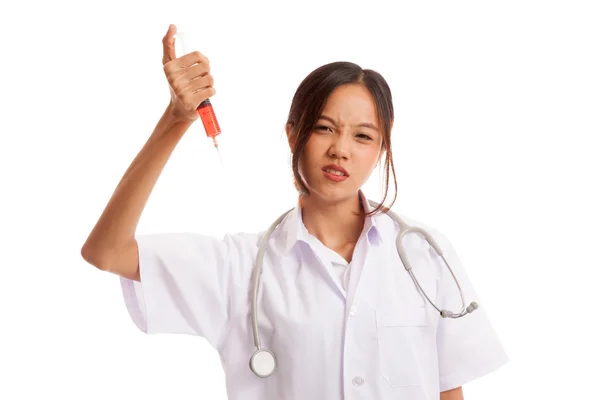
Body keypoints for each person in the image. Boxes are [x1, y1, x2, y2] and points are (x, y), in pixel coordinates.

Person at [81, 24, 509, 400]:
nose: (340, 148)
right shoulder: (239, 268)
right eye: (324, 128)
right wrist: (176, 120)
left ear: (380, 149)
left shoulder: (424, 255)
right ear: (293, 134)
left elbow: (448, 387)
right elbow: (107, 251)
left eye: (363, 136)